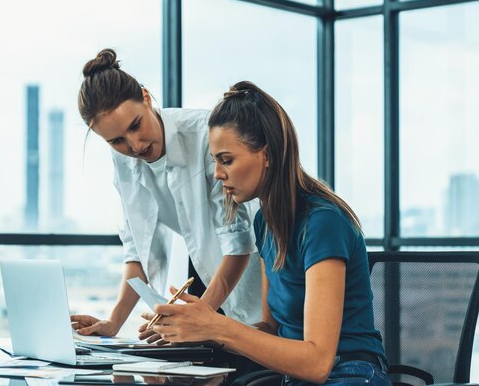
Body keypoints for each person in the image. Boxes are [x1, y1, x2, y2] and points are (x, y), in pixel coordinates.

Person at [150, 81, 392, 386]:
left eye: (227, 159)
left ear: (266, 154)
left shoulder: (322, 223)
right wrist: (196, 330)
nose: (217, 173)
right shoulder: (265, 221)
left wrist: (218, 327)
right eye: (215, 161)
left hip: (350, 374)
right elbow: (269, 327)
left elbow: (318, 362)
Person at [71, 49, 261, 342]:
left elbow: (239, 243)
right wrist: (113, 323)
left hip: (252, 276)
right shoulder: (122, 160)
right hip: (202, 280)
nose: (134, 145)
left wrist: (202, 319)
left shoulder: (205, 135)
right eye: (116, 140)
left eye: (135, 125)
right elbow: (137, 249)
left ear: (146, 97)